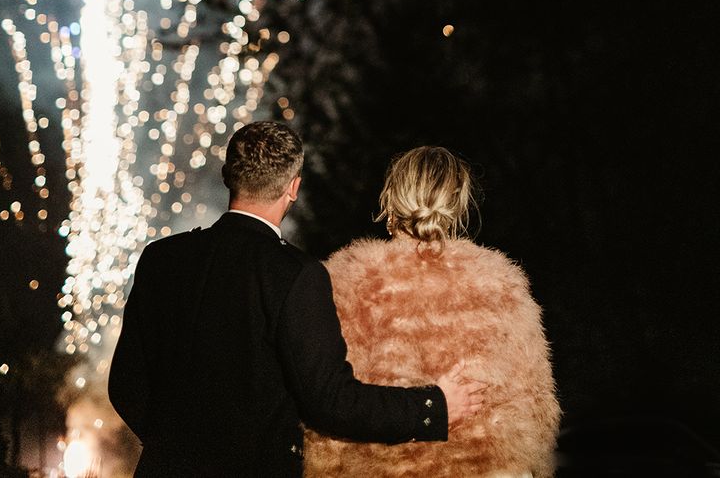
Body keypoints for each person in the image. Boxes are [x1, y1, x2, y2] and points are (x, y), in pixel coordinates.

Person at [108, 123, 487, 477]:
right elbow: (330, 400)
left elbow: (125, 386)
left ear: (229, 177)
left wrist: (172, 444)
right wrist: (431, 409)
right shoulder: (296, 275)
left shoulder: (161, 259)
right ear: (293, 187)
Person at [304, 146, 561, 477]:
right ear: (458, 206)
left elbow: (327, 416)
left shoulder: (347, 283)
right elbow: (534, 415)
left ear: (389, 203)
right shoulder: (500, 286)